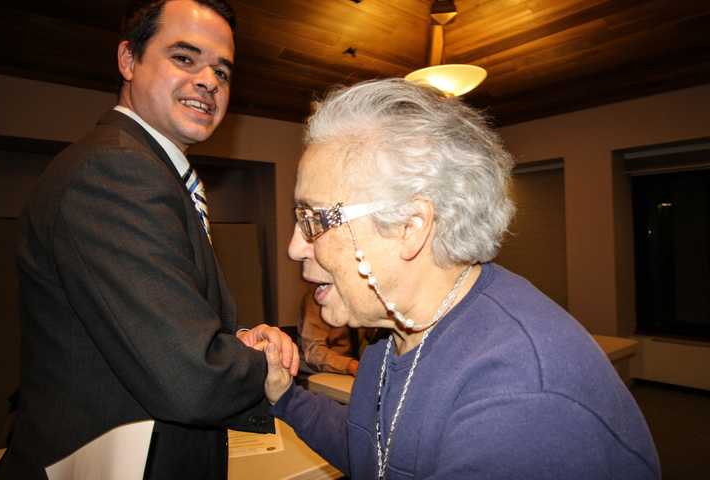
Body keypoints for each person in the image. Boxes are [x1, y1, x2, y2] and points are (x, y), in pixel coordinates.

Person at [264, 78, 660, 479]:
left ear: (410, 226)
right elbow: (376, 454)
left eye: (313, 219)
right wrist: (283, 392)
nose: (295, 247)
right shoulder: (394, 338)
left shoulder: (522, 398)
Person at [0, 1, 298, 479]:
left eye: (222, 70)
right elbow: (187, 376)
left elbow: (155, 331)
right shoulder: (116, 170)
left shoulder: (153, 174)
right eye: (184, 58)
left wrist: (234, 341)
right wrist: (265, 362)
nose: (208, 80)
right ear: (128, 60)